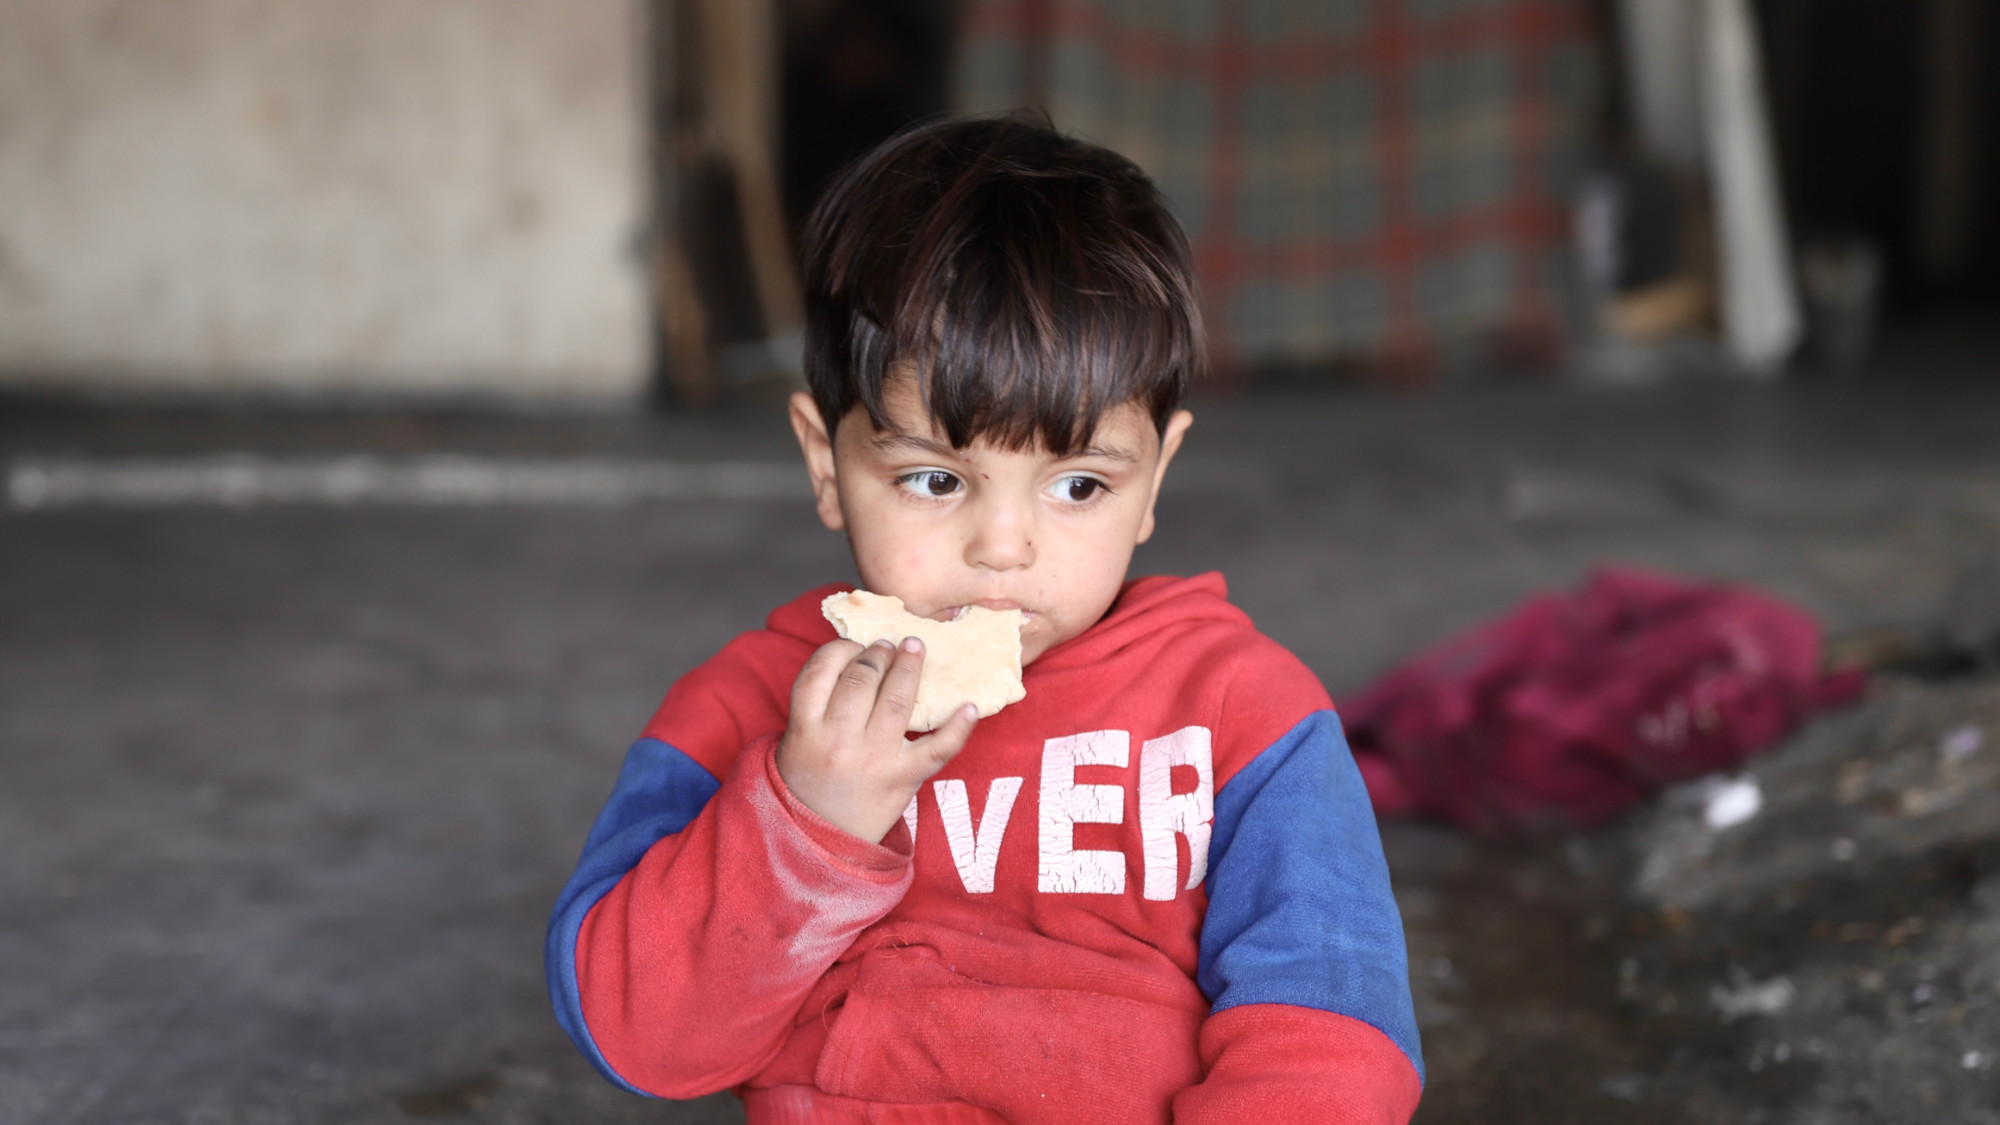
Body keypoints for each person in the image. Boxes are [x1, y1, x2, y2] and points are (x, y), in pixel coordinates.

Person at [546, 113, 1423, 1124]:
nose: (1001, 547)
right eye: (932, 477)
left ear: (1154, 482)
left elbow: (1330, 1038)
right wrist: (804, 818)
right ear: (825, 464)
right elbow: (634, 1034)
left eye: (1078, 487)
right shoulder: (743, 707)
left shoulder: (1241, 718)